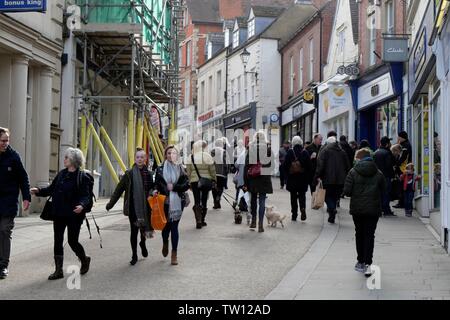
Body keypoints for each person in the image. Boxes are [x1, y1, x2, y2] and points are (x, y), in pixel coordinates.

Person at [31, 148, 91, 280]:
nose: (64, 159)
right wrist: (38, 191)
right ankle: (58, 271)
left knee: (72, 241)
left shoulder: (82, 177)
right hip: (58, 213)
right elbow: (51, 189)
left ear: (74, 161)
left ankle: (84, 259)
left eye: (66, 158)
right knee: (57, 240)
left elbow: (86, 196)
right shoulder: (62, 174)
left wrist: (82, 205)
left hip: (74, 214)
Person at [106, 148, 154, 266]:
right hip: (133, 208)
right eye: (137, 157)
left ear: (145, 159)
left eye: (142, 157)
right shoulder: (129, 174)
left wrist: (154, 192)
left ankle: (142, 243)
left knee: (144, 230)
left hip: (146, 207)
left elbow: (153, 188)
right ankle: (134, 255)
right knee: (134, 232)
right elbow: (119, 189)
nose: (139, 159)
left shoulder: (149, 174)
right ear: (135, 158)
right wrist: (110, 204)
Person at [343, 148, 386, 277]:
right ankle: (368, 263)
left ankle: (360, 261)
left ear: (359, 158)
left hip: (358, 209)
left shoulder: (353, 172)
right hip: (373, 209)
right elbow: (384, 190)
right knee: (369, 235)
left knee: (359, 233)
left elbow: (347, 191)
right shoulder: (378, 173)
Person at [0, 127, 31, 280]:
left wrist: (26, 197)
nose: (5, 143)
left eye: (7, 140)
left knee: (5, 231)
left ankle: (3, 266)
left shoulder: (13, 157)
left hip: (8, 202)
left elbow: (23, 178)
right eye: (2, 140)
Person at [154, 146, 190, 265]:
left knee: (174, 227)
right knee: (166, 228)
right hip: (165, 202)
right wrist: (154, 191)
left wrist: (174, 187)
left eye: (173, 153)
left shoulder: (181, 168)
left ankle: (174, 254)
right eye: (168, 153)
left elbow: (186, 185)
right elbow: (156, 185)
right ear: (165, 155)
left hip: (177, 202)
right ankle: (165, 242)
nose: (171, 155)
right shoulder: (159, 169)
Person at [314, 132, 350, 224]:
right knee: (335, 196)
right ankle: (332, 210)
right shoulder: (342, 152)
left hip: (327, 179)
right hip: (340, 180)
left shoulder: (324, 151)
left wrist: (317, 176)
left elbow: (320, 165)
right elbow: (347, 166)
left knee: (327, 196)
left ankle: (332, 209)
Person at [244, 131, 274, 233]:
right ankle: (261, 224)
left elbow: (247, 166)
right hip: (264, 178)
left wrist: (245, 181)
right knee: (262, 201)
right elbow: (272, 165)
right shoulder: (268, 149)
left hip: (253, 178)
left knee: (253, 200)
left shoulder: (251, 149)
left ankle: (253, 221)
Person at [186, 140, 216, 229]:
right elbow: (212, 170)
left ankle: (198, 220)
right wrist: (214, 179)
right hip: (206, 180)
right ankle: (202, 220)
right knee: (204, 199)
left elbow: (188, 171)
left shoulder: (190, 157)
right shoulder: (207, 156)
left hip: (195, 181)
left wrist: (190, 181)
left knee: (197, 200)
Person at [284, 136, 312, 222]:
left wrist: (286, 176)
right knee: (302, 196)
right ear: (300, 142)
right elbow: (309, 167)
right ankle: (302, 208)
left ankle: (294, 214)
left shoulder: (290, 152)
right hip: (302, 179)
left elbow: (285, 165)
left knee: (293, 197)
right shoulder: (305, 152)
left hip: (292, 178)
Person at [374, 137, 396, 216]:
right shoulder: (387, 153)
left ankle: (379, 209)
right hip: (386, 176)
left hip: (377, 176)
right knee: (386, 193)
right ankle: (386, 210)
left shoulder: (376, 152)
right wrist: (393, 175)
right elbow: (389, 165)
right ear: (387, 144)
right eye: (389, 143)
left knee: (379, 193)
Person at [393, 131, 413, 209]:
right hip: (403, 168)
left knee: (402, 186)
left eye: (399, 137)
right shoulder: (404, 144)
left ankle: (402, 203)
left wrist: (396, 164)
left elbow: (403, 158)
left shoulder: (405, 146)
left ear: (402, 137)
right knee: (401, 186)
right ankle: (401, 202)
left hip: (403, 169)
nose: (398, 138)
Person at [211, 137, 230, 209]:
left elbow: (210, 162)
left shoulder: (212, 151)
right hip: (222, 173)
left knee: (213, 188)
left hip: (213, 173)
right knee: (220, 187)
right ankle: (218, 196)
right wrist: (227, 171)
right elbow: (226, 163)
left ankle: (215, 203)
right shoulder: (224, 152)